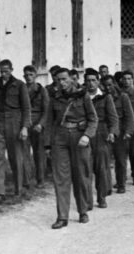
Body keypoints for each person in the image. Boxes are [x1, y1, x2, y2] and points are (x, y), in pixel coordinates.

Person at [47, 66, 98, 228]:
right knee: (60, 179)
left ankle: (83, 210)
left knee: (81, 176)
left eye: (64, 79)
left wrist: (87, 136)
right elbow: (49, 122)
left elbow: (93, 119)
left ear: (71, 79)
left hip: (79, 137)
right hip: (60, 138)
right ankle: (62, 216)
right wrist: (47, 145)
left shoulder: (83, 96)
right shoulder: (55, 97)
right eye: (58, 80)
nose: (61, 83)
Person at [0, 59, 31, 201]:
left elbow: (26, 108)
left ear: (12, 70)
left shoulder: (20, 85)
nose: (4, 74)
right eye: (1, 71)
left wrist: (24, 127)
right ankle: (0, 192)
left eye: (6, 71)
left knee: (15, 156)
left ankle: (18, 189)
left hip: (14, 122)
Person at [84, 69, 118, 209]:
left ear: (98, 81)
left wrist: (112, 132)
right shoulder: (81, 96)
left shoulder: (105, 97)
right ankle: (87, 201)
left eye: (93, 80)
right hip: (85, 134)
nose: (91, 84)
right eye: (88, 81)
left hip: (101, 134)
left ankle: (101, 197)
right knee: (85, 168)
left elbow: (113, 118)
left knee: (101, 168)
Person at [102, 75, 134, 194]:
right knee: (104, 159)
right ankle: (106, 185)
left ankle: (121, 184)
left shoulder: (123, 97)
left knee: (120, 159)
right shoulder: (101, 97)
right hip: (105, 130)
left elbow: (130, 116)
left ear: (115, 84)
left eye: (110, 85)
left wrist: (128, 132)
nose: (108, 88)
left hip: (120, 132)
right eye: (105, 85)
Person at [24, 65, 49, 188]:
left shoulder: (41, 90)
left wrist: (41, 124)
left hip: (37, 124)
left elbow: (46, 110)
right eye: (26, 75)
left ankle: (40, 179)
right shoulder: (21, 89)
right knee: (24, 153)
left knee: (39, 154)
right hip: (24, 124)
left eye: (31, 75)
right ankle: (26, 180)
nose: (28, 77)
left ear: (35, 76)